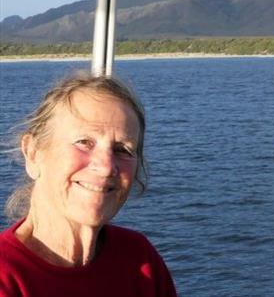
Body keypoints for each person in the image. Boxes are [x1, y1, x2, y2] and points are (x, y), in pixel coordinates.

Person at [0, 73, 177, 297]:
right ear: (33, 153)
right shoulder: (7, 277)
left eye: (123, 150)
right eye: (84, 142)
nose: (105, 167)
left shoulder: (140, 260)